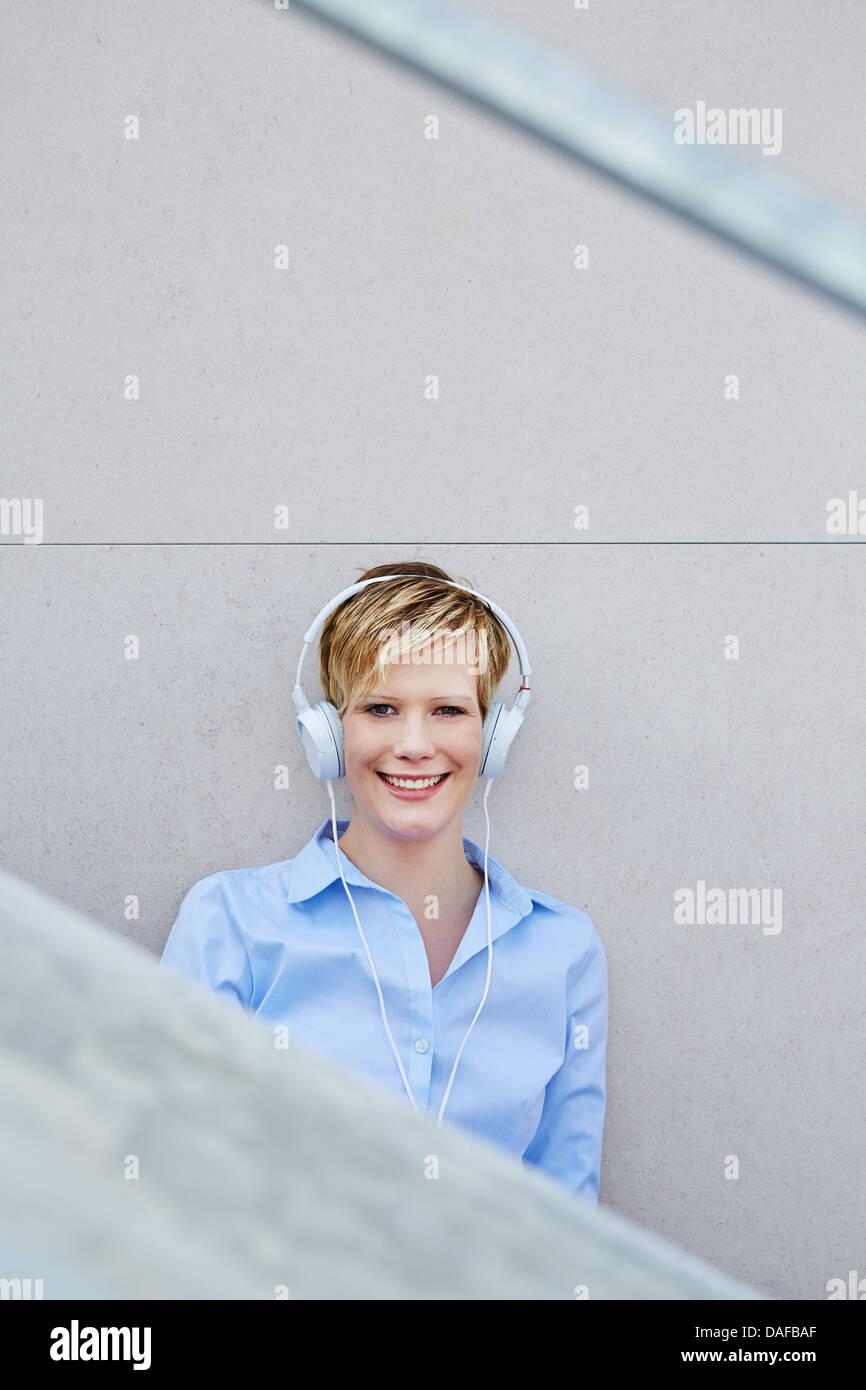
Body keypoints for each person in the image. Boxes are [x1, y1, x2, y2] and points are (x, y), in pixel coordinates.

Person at [160, 561, 608, 1203]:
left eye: (449, 710)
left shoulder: (564, 950)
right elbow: (179, 1193)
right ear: (330, 734)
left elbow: (570, 1221)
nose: (415, 744)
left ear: (492, 736)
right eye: (381, 708)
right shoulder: (231, 923)